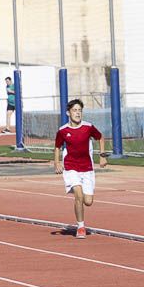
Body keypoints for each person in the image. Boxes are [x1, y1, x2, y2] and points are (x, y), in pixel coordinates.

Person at [54, 99, 107, 238]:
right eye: (74, 110)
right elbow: (57, 147)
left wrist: (102, 156)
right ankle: (81, 227)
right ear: (68, 113)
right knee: (78, 194)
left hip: (87, 168)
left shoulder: (88, 127)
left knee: (88, 201)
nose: (77, 113)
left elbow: (100, 137)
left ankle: (80, 198)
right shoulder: (63, 130)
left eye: (79, 110)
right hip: (71, 167)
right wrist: (57, 163)